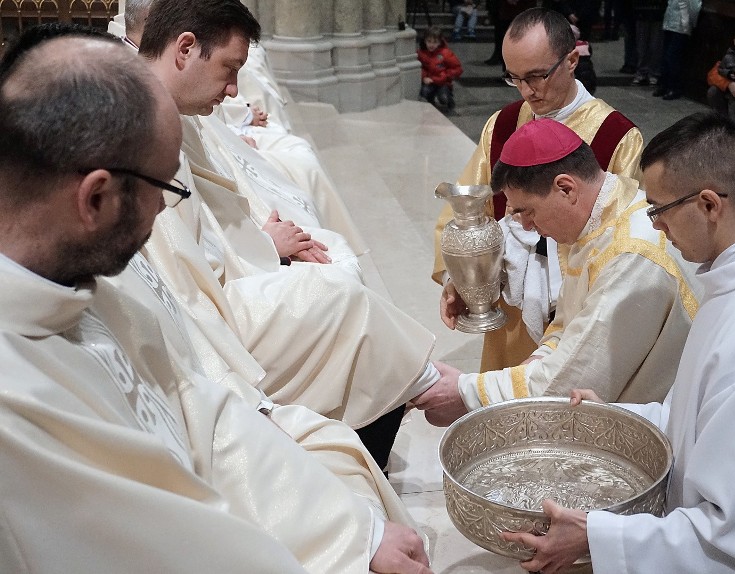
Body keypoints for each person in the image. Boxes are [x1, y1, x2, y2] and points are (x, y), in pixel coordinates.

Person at [0, 30, 432, 574]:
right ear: (95, 198)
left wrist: (354, 530)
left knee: (338, 458)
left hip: (220, 482)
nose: (165, 209)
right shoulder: (15, 404)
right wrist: (348, 549)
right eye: (164, 186)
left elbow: (190, 399)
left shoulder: (80, 276)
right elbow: (162, 546)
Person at [501, 112, 735, 574]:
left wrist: (594, 535)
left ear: (708, 204)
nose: (656, 226)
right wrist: (619, 417)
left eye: (659, 209)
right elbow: (702, 420)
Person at [134, 0, 442, 470]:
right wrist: (263, 249)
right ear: (185, 49)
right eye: (229, 69)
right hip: (198, 320)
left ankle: (404, 401)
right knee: (344, 301)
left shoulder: (166, 106)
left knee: (333, 270)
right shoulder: (142, 126)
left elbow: (206, 218)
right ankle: (404, 411)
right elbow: (177, 277)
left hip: (216, 285)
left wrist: (260, 242)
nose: (235, 89)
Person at [415, 119, 699, 427]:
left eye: (526, 210)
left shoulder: (630, 255)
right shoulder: (600, 223)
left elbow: (573, 382)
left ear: (566, 188)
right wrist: (538, 360)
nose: (523, 225)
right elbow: (568, 323)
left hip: (662, 428)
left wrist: (465, 393)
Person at [432, 7, 644, 372]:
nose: (527, 90)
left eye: (537, 75)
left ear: (573, 59)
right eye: (514, 78)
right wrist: (462, 278)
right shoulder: (502, 125)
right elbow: (466, 209)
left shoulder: (616, 137)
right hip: (509, 316)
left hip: (577, 313)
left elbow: (624, 237)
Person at [652, 0, 701, 100]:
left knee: (673, 57)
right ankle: (664, 84)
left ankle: (674, 87)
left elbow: (695, 8)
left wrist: (690, 24)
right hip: (669, 23)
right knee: (665, 56)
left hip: (680, 26)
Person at [417, 26, 463, 112]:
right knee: (424, 92)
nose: (431, 45)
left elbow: (458, 69)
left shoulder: (445, 53)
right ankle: (430, 101)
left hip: (443, 82)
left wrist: (445, 75)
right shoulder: (421, 53)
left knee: (443, 98)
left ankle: (449, 101)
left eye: (435, 42)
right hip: (429, 81)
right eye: (429, 41)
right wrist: (424, 77)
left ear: (439, 42)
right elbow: (419, 67)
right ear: (425, 41)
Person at [630, 0, 665, 86]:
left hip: (657, 13)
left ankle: (653, 73)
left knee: (655, 46)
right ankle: (642, 71)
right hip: (641, 12)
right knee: (641, 46)